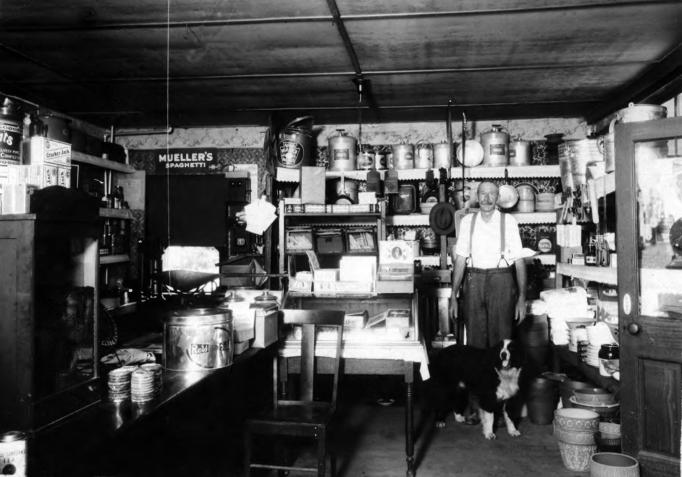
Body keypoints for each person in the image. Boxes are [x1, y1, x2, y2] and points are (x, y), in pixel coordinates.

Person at [449, 181, 527, 349]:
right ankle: (477, 376)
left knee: (501, 343)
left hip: (502, 285)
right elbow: (460, 260)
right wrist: (453, 296)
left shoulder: (509, 221)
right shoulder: (467, 221)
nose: (487, 198)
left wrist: (521, 298)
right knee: (474, 343)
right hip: (473, 285)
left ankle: (499, 376)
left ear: (498, 197)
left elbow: (519, 262)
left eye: (492, 194)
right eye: (483, 194)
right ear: (477, 197)